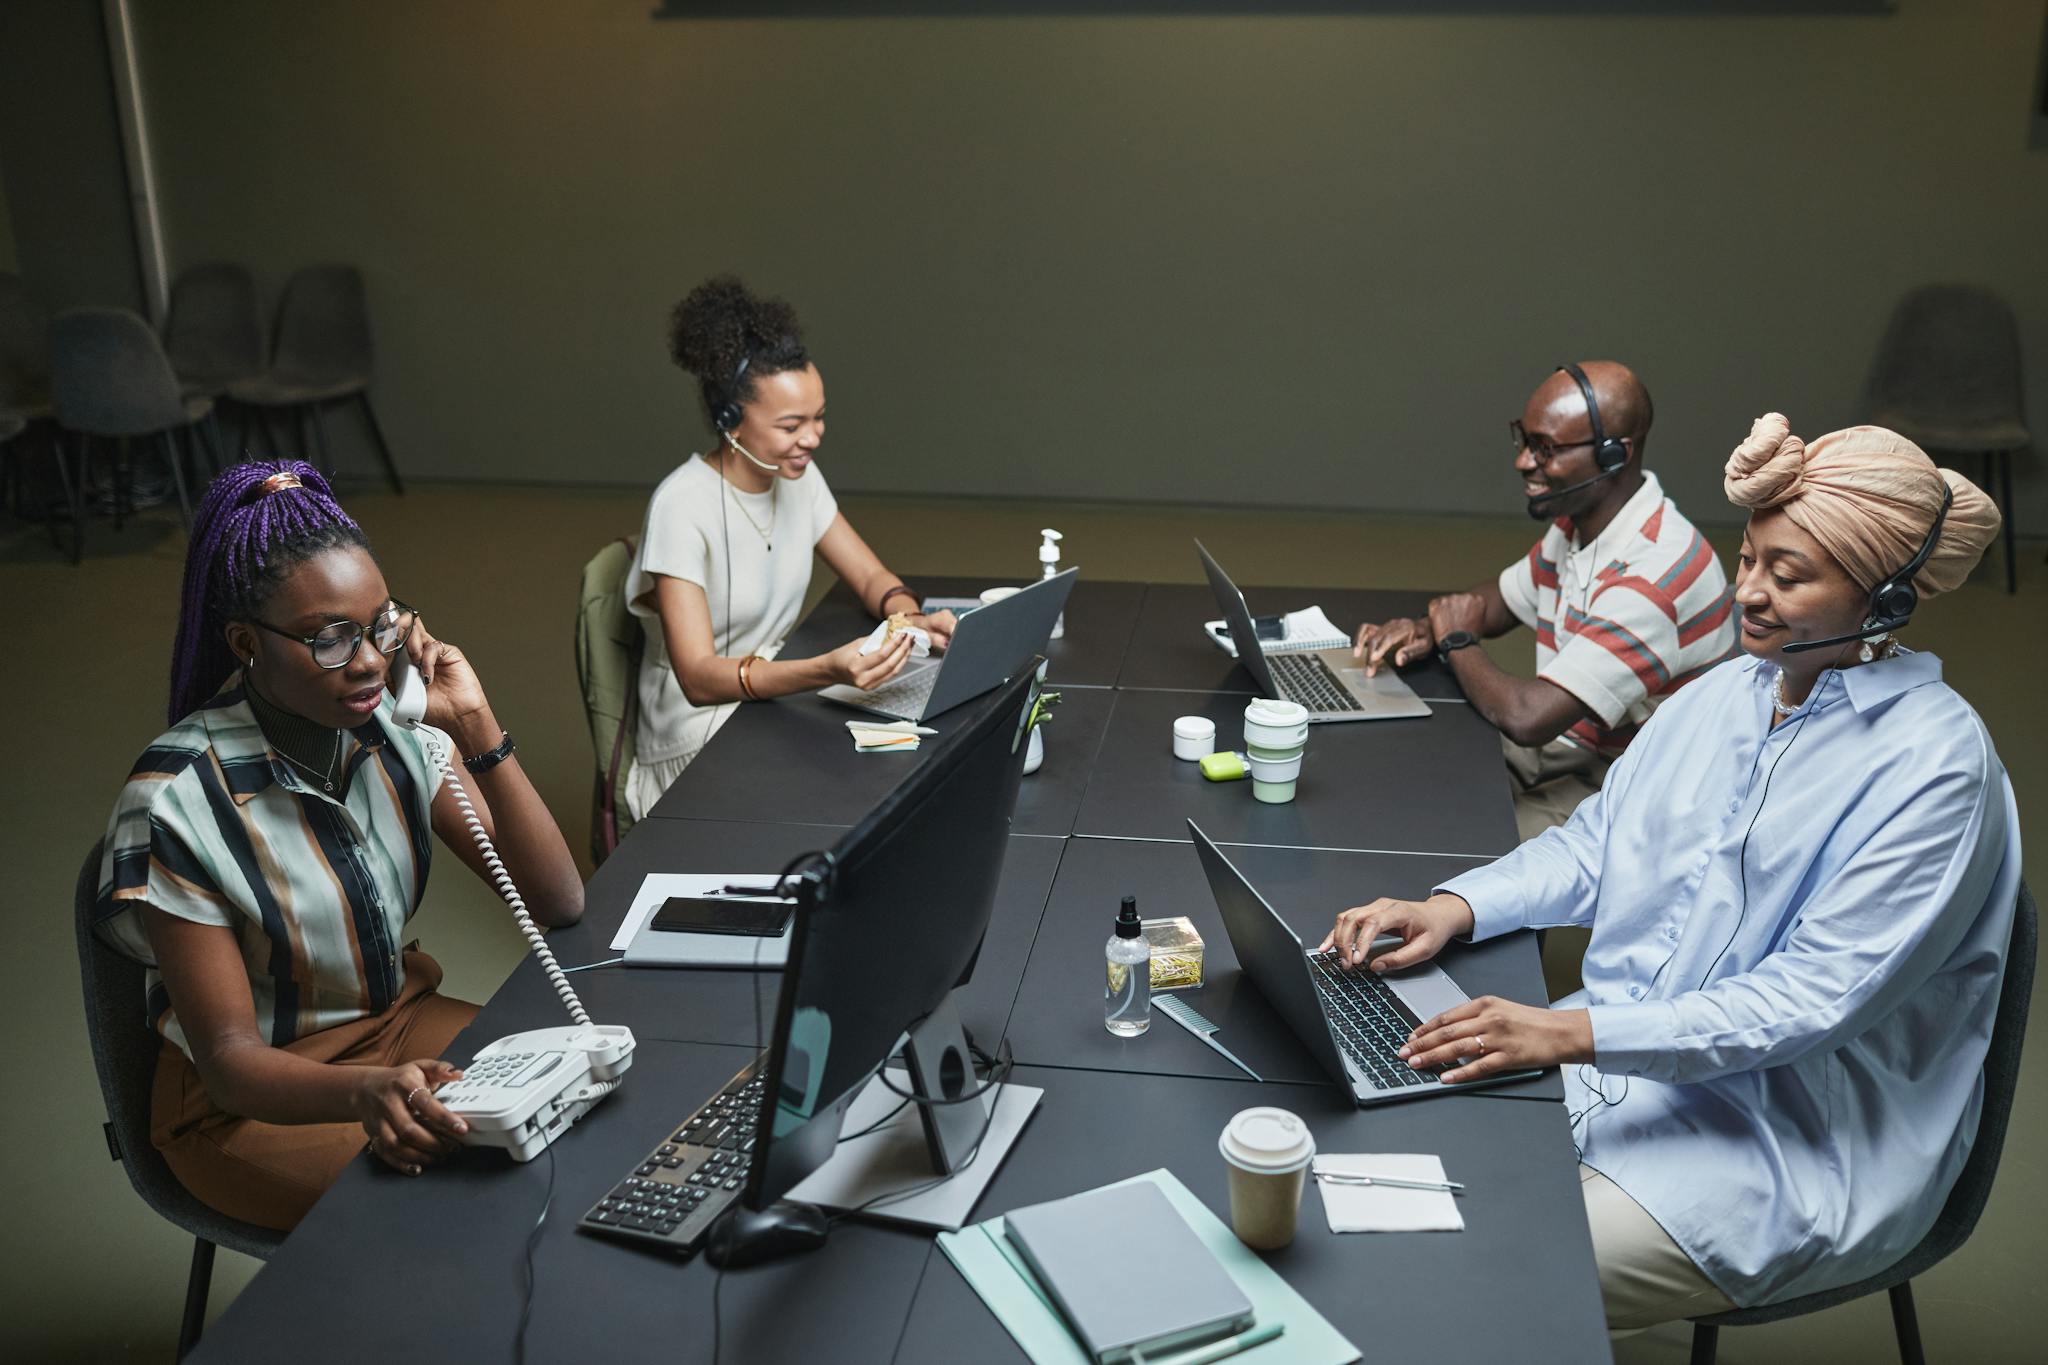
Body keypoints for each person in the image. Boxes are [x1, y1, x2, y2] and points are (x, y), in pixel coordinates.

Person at [1320, 415, 2016, 1330]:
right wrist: (1454, 904)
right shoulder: (1729, 693)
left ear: (1883, 596)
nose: (1750, 595)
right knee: (1368, 1181)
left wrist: (1569, 1035)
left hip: (1785, 1141)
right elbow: (1598, 843)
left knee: (1465, 1264)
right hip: (1620, 1060)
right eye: (1751, 560)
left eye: (1789, 575)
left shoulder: (1936, 770)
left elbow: (1800, 1006)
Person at [94, 460, 583, 1230]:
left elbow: (559, 898)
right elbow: (226, 1061)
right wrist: (363, 1093)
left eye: (382, 625)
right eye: (329, 639)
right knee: (481, 1207)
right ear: (245, 643)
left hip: (398, 1029)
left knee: (577, 1118)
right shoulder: (175, 805)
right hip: (253, 1101)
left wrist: (475, 722)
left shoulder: (395, 728)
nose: (367, 661)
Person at [1354, 362, 1736, 838]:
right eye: (1525, 440)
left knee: (1445, 840)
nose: (1523, 462)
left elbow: (1527, 717)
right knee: (1400, 775)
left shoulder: (1655, 574)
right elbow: (1493, 604)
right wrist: (1425, 627)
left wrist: (1453, 638)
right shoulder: (1581, 525)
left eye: (1546, 449)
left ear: (1616, 454)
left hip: (1627, 784)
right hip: (1574, 744)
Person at [623, 276, 958, 818]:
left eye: (819, 416)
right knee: (852, 794)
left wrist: (908, 616)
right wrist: (827, 670)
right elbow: (699, 678)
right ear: (730, 419)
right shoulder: (681, 506)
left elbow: (872, 580)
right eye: (791, 425)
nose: (813, 437)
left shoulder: (797, 476)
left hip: (774, 701)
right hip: (696, 740)